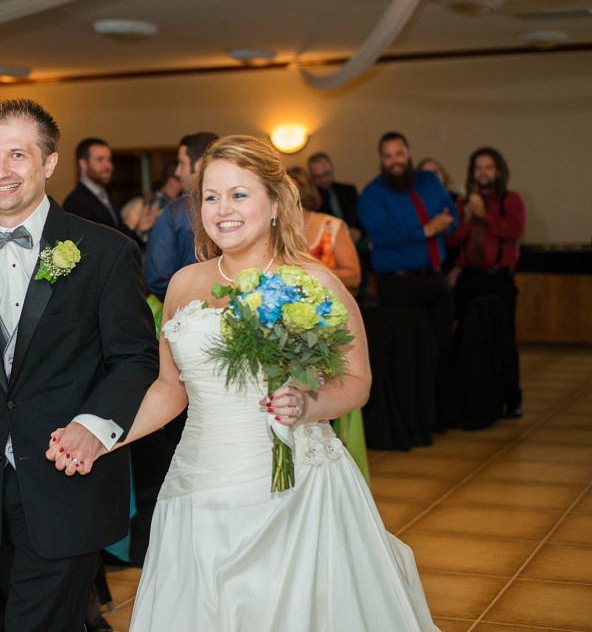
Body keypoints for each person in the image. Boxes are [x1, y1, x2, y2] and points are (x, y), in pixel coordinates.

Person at [49, 135, 437, 631]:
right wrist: (103, 436)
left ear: (275, 203)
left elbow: (358, 381)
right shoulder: (184, 283)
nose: (222, 209)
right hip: (198, 484)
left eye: (239, 194)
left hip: (294, 490)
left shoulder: (314, 282)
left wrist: (307, 405)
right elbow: (169, 390)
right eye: (211, 197)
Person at [0, 99, 158, 632]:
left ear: (49, 163)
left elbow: (136, 358)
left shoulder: (105, 251)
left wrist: (94, 425)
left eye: (18, 155)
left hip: (69, 486)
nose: (1, 170)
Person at [358, 131, 457, 429]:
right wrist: (425, 230)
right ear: (381, 159)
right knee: (410, 355)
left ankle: (439, 417)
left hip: (435, 279)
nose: (394, 161)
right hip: (399, 285)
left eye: (399, 154)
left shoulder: (429, 181)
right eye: (388, 156)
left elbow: (450, 212)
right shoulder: (372, 194)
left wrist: (443, 224)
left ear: (408, 153)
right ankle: (413, 422)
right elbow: (381, 236)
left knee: (441, 349)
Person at [288, 166, 367, 481]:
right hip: (291, 329)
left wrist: (312, 275)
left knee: (333, 393)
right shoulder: (276, 231)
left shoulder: (331, 227)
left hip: (331, 325)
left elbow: (355, 275)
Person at [446, 147, 525, 418]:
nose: (483, 173)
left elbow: (513, 231)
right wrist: (468, 219)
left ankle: (511, 399)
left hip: (499, 279)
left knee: (504, 340)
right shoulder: (463, 204)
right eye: (478, 168)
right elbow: (453, 241)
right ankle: (476, 399)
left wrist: (485, 214)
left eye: (488, 167)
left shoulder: (511, 200)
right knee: (469, 341)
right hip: (470, 280)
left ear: (498, 171)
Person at [143, 132, 218, 301]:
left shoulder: (176, 210)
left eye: (181, 163)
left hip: (186, 306)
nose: (177, 172)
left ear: (200, 163)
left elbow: (156, 276)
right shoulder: (238, 207)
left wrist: (188, 304)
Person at [62, 137, 147, 245]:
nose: (108, 166)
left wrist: (138, 231)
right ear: (83, 164)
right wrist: (127, 224)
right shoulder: (75, 202)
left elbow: (119, 239)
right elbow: (90, 246)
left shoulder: (107, 197)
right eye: (100, 159)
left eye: (109, 160)